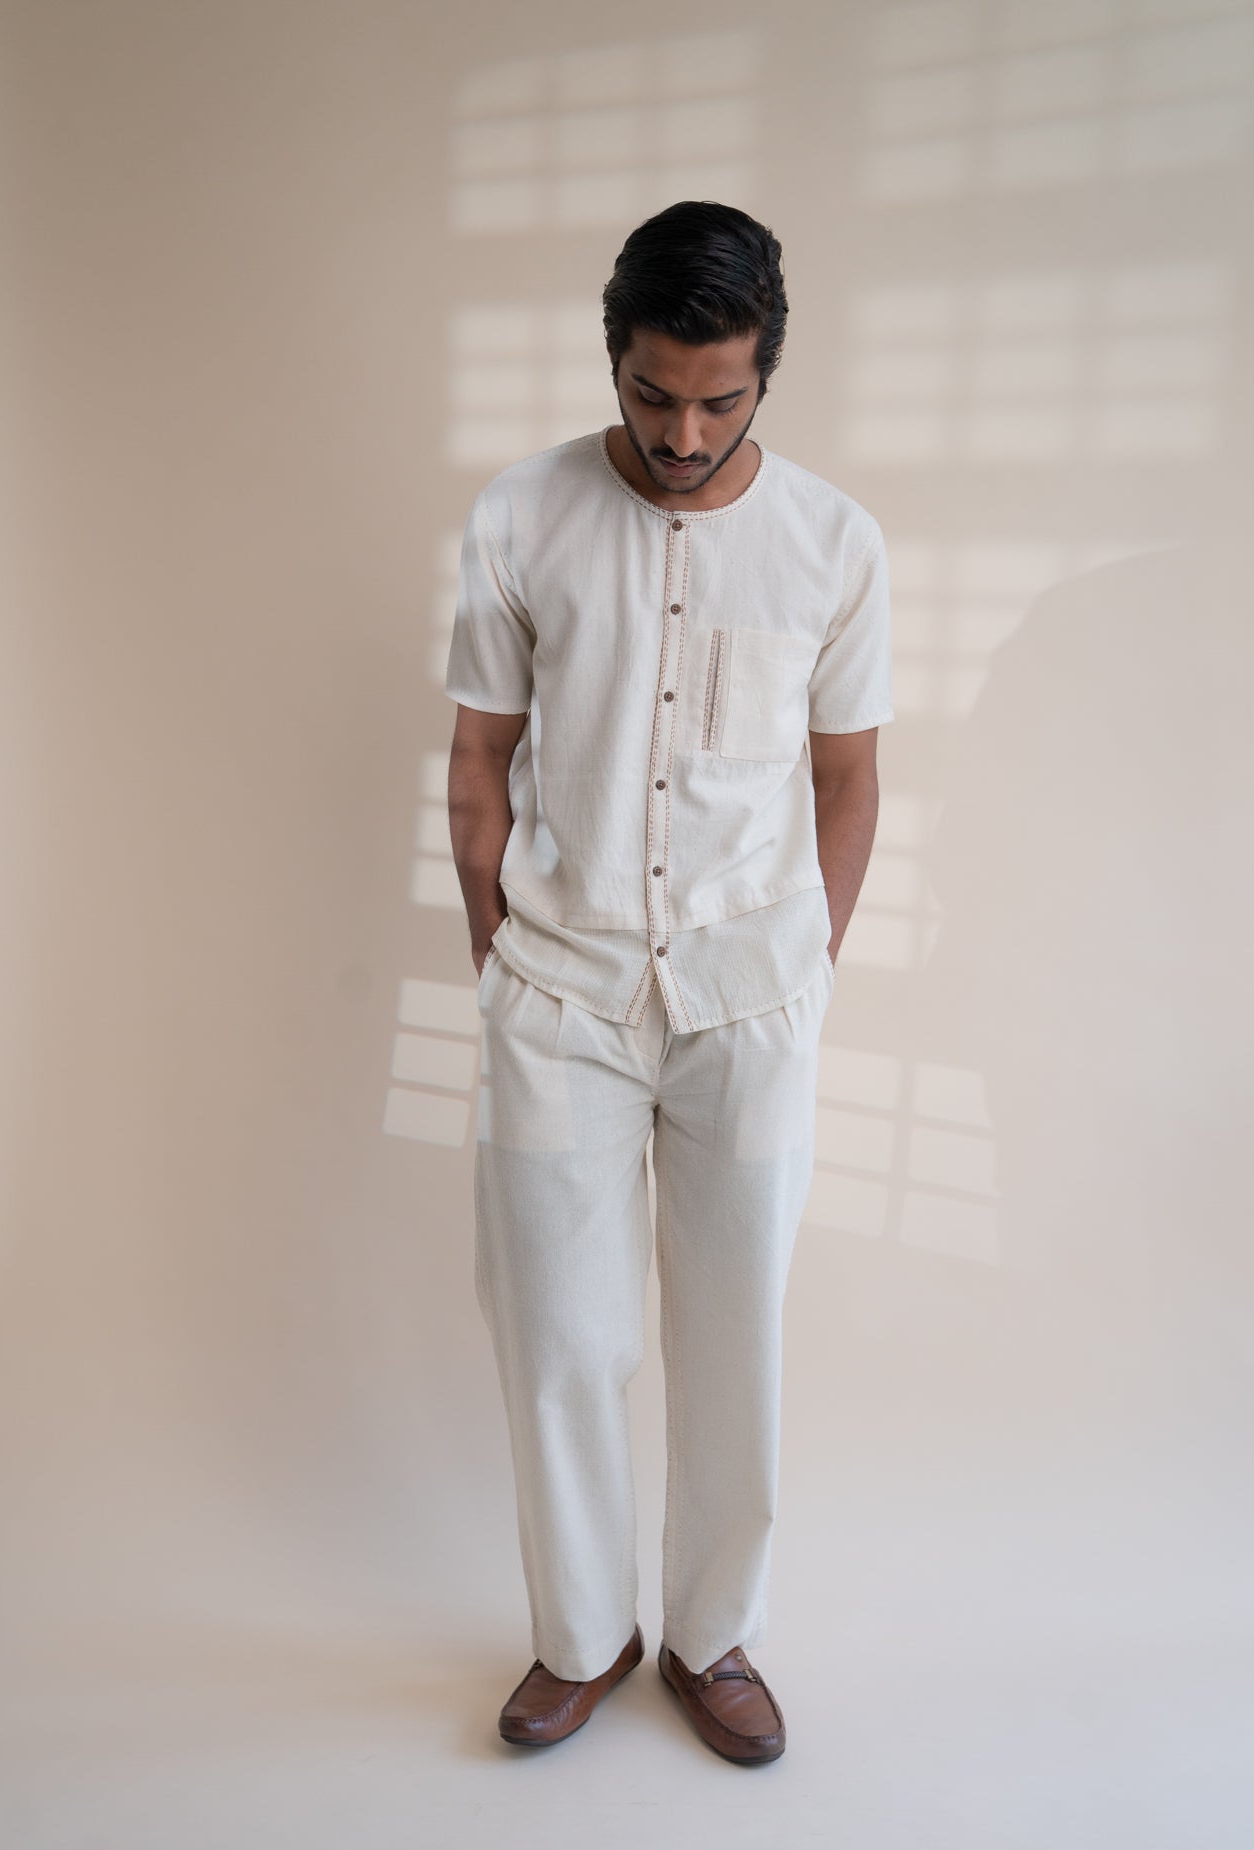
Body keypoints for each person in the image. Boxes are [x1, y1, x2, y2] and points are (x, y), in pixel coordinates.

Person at [444, 200, 892, 1765]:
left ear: (766, 372)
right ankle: (582, 1636)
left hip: (748, 1001)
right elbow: (478, 758)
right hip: (559, 995)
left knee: (733, 1334)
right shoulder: (521, 514)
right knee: (557, 1338)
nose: (683, 433)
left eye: (719, 399)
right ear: (612, 359)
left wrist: (807, 969)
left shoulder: (835, 542)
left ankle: (712, 1636)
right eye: (651, 395)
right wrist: (499, 960)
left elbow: (848, 778)